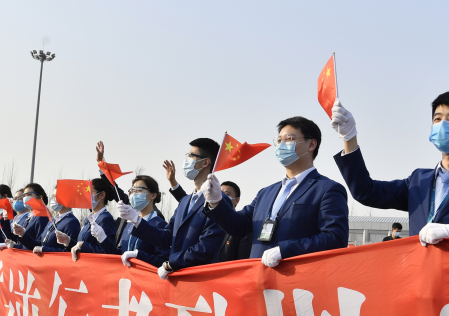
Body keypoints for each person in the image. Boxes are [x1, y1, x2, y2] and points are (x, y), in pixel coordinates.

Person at [331, 92, 449, 246]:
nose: (443, 125)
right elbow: (366, 192)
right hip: (420, 280)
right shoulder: (419, 180)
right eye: (437, 119)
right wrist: (349, 137)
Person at [200, 116, 349, 266]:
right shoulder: (265, 193)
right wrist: (216, 202)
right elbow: (239, 226)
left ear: (311, 144)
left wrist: (287, 250)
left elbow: (335, 238)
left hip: (295, 277)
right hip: (258, 275)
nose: (282, 145)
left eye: (289, 139)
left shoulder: (327, 189)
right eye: (279, 141)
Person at [118, 138, 227, 279]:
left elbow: (207, 247)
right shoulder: (185, 201)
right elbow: (167, 237)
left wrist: (171, 264)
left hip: (200, 279)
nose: (187, 160)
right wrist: (136, 220)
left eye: (191, 156)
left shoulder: (218, 200)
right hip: (177, 279)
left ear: (205, 162)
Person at [164, 165, 250, 262]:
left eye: (226, 194)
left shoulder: (241, 225)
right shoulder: (208, 211)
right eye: (219, 192)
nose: (220, 196)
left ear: (237, 200)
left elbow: (242, 260)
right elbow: (192, 207)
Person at [118, 175, 171, 268]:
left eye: (138, 190)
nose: (133, 194)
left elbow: (163, 261)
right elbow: (121, 253)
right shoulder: (130, 223)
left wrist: (139, 255)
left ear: (153, 195)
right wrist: (103, 239)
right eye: (132, 191)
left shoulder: (160, 225)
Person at [68, 177, 119, 260]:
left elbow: (108, 251)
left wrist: (82, 245)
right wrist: (68, 241)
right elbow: (81, 244)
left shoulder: (105, 219)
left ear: (102, 195)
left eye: (89, 192)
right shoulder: (88, 219)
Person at [31, 184, 81, 255]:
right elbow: (39, 243)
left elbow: (69, 252)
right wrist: (22, 235)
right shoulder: (53, 220)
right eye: (52, 196)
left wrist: (44, 249)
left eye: (56, 196)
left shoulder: (72, 222)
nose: (53, 199)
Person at [10, 183, 51, 250]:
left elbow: (38, 245)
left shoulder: (42, 217)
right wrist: (15, 245)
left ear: (39, 197)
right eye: (24, 195)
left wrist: (22, 236)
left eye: (29, 194)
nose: (25, 198)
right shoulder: (30, 217)